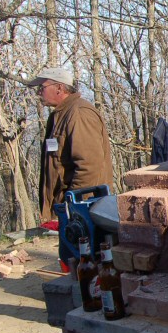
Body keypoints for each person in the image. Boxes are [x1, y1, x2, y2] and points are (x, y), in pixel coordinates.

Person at [28, 67, 113, 222]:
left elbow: (89, 166)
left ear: (59, 88)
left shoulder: (79, 113)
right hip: (67, 210)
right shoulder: (59, 116)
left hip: (84, 211)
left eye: (42, 87)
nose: (39, 92)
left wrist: (72, 205)